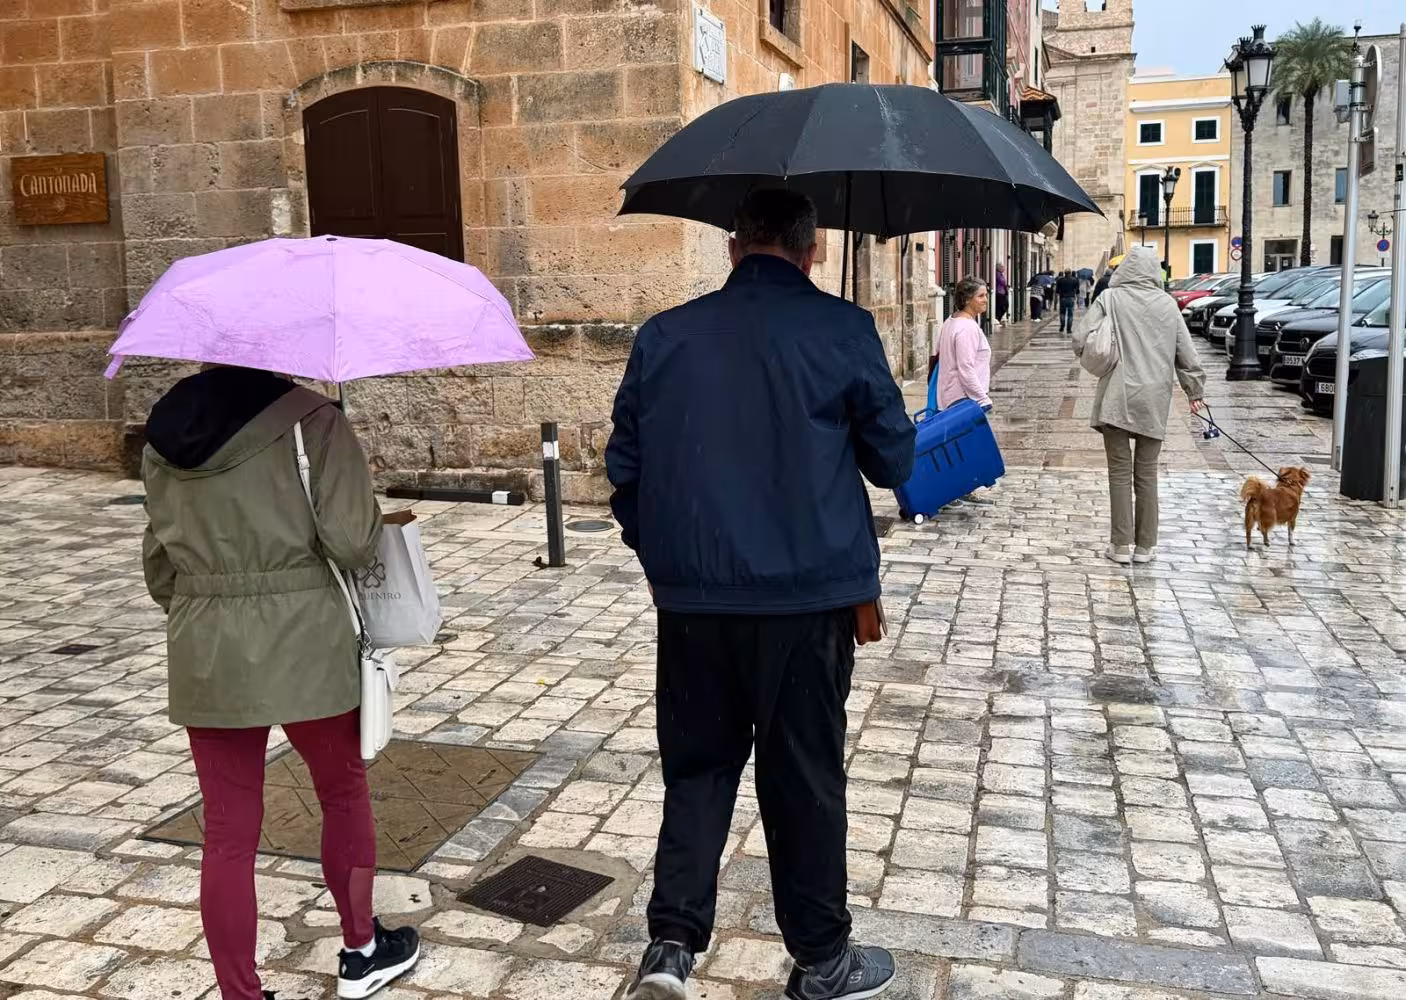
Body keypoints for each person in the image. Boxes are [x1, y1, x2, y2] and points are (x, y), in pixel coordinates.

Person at [606, 188, 914, 1000]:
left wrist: (667, 559)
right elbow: (895, 463)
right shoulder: (844, 329)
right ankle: (821, 959)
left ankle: (671, 945)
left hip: (696, 605)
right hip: (808, 605)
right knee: (803, 775)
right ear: (811, 252)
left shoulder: (664, 336)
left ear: (735, 247)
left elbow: (625, 473)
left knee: (698, 770)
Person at [141, 366, 420, 1000]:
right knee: (342, 796)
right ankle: (361, 949)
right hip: (306, 639)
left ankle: (240, 992)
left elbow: (159, 565)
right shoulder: (314, 420)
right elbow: (351, 544)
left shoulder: (164, 434)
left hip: (206, 644)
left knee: (226, 831)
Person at [1074, 246, 1206, 566]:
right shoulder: (1168, 304)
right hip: (1154, 399)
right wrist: (1194, 391)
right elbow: (1185, 354)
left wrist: (1100, 357)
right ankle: (1145, 546)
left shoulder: (1110, 299)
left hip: (1117, 395)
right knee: (1146, 475)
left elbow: (1081, 338)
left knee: (1119, 474)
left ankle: (1120, 545)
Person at [934, 276, 995, 507]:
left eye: (986, 295)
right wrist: (982, 398)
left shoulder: (950, 323)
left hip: (950, 393)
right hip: (963, 396)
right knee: (961, 446)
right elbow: (966, 368)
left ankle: (962, 488)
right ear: (968, 299)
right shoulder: (967, 328)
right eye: (981, 295)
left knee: (958, 445)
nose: (985, 300)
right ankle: (952, 491)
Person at [1055, 269, 1081, 333]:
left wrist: (1056, 301)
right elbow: (1077, 291)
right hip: (1071, 298)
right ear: (1070, 273)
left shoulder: (1060, 280)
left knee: (1062, 313)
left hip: (1062, 298)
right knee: (1070, 315)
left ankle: (1062, 326)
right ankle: (1069, 329)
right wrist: (1078, 301)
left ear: (1065, 273)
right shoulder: (1075, 280)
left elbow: (1057, 291)